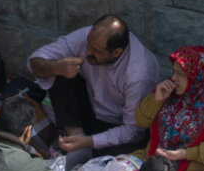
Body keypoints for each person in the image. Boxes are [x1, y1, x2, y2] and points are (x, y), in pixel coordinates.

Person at [27, 14, 158, 160]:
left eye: (96, 51)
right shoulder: (88, 37)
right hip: (89, 110)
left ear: (116, 53)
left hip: (116, 126)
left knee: (114, 161)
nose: (88, 52)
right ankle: (75, 136)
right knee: (57, 70)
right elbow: (35, 60)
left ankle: (82, 148)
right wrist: (58, 67)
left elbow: (132, 132)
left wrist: (88, 142)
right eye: (88, 45)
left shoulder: (139, 73)